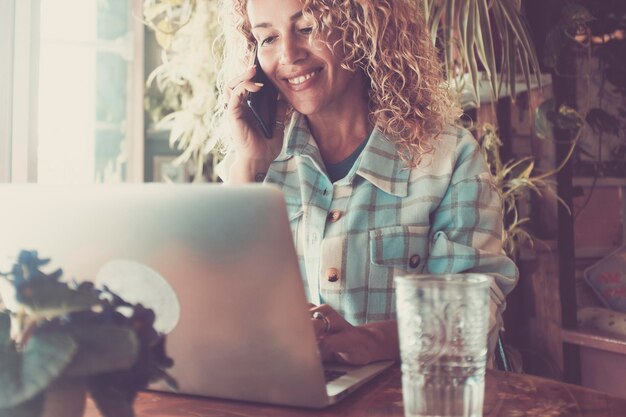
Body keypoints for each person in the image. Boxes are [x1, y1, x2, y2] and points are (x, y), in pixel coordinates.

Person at [215, 0, 518, 366]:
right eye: (267, 38)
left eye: (308, 28)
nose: (289, 55)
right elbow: (219, 308)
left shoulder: (448, 157)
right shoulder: (255, 161)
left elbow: (475, 308)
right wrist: (250, 165)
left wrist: (372, 340)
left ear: (362, 30)